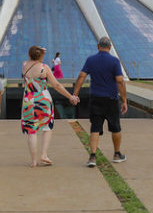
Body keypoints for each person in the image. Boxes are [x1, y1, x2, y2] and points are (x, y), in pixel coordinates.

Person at [21, 45, 79, 167]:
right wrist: (70, 96)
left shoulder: (24, 65)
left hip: (28, 100)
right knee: (47, 127)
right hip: (43, 99)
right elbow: (56, 85)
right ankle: (44, 155)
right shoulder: (44, 68)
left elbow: (34, 55)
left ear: (29, 54)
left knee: (31, 130)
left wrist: (38, 53)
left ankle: (34, 161)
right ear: (41, 55)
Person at [73, 36, 127, 167]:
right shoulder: (114, 61)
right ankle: (117, 154)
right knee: (115, 127)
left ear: (98, 46)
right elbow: (120, 80)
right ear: (110, 47)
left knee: (95, 127)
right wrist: (124, 100)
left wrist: (75, 94)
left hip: (96, 98)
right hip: (111, 98)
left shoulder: (90, 60)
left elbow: (81, 76)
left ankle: (92, 157)